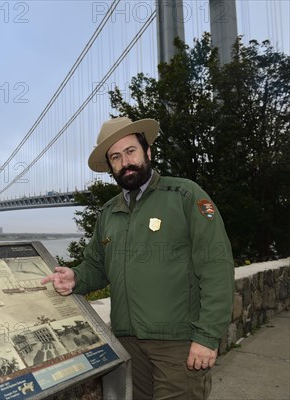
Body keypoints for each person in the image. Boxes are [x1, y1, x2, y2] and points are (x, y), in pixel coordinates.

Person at [41, 117, 235, 400]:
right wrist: (76, 277)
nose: (125, 162)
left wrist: (207, 337)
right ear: (110, 167)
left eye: (130, 151)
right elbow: (96, 266)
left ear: (148, 152)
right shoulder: (109, 213)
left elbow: (217, 266)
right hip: (128, 344)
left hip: (178, 344)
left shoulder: (184, 195)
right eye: (115, 157)